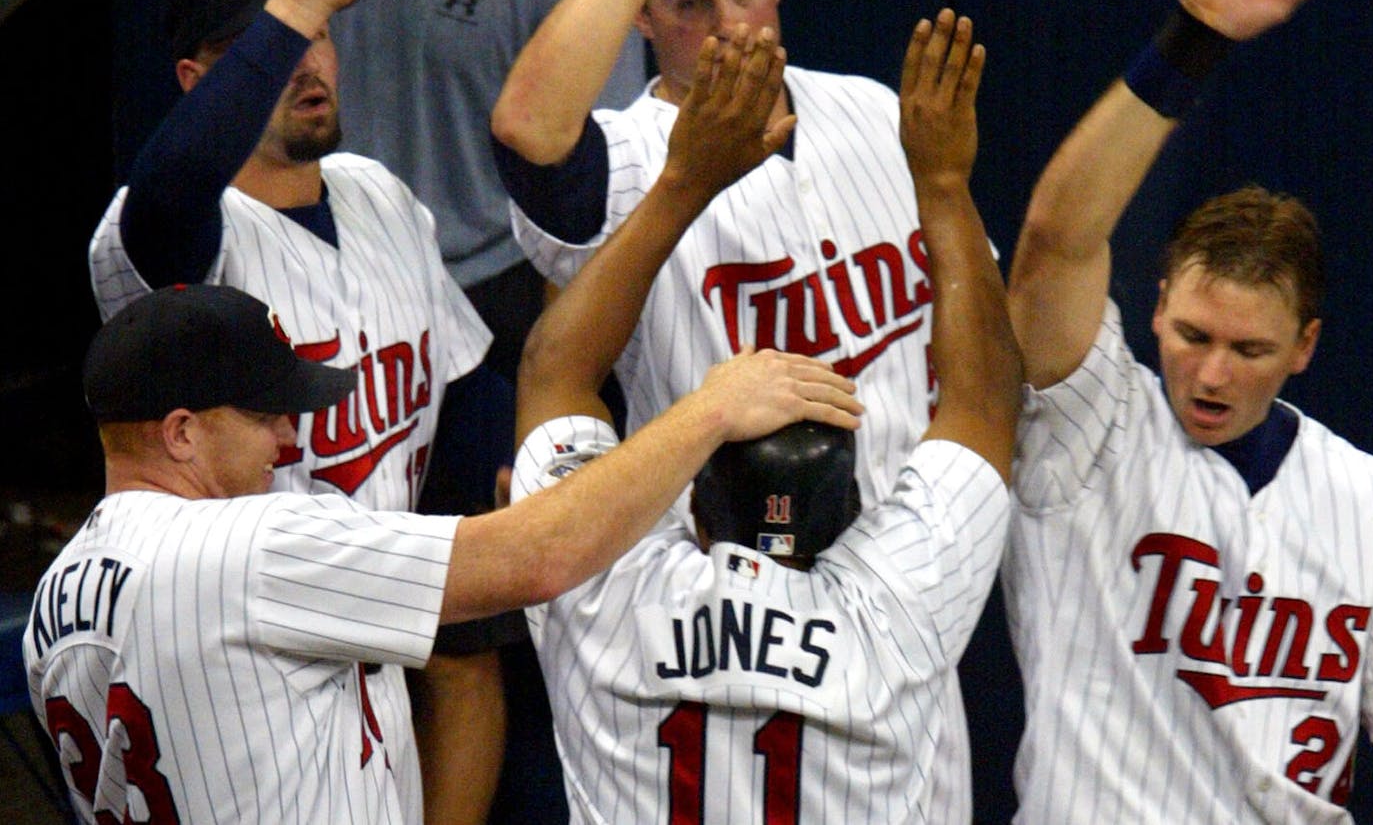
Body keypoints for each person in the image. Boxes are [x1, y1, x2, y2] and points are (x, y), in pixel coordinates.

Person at [22, 278, 860, 824]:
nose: (289, 436)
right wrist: (711, 410)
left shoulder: (54, 600)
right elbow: (539, 558)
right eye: (265, 413)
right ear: (180, 433)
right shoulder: (244, 545)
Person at [510, 3, 1021, 821]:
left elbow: (553, 370)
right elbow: (988, 402)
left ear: (697, 497)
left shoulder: (605, 586)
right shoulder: (895, 608)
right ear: (852, 511)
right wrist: (946, 186)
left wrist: (683, 184)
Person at [1003, 0, 1373, 823]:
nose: (1212, 374)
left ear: (1306, 348)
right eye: (1192, 335)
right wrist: (1190, 43)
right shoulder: (1091, 421)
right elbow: (1054, 239)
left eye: (1250, 349)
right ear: (1153, 308)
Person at [237, 0, 649, 817]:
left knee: (462, 646)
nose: (310, 60)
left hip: (479, 301)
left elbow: (582, 207)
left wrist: (548, 402)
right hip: (293, 276)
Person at [85, 0, 494, 819]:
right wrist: (299, 1)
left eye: (318, 36)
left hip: (378, 650)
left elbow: (462, 405)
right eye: (263, 48)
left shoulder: (379, 196)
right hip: (248, 656)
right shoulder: (174, 236)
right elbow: (172, 185)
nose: (306, 63)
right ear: (199, 84)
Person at [491, 0, 951, 512]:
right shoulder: (629, 158)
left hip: (916, 544)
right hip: (727, 575)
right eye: (690, 4)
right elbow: (527, 131)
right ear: (642, 15)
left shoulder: (872, 110)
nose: (732, 26)